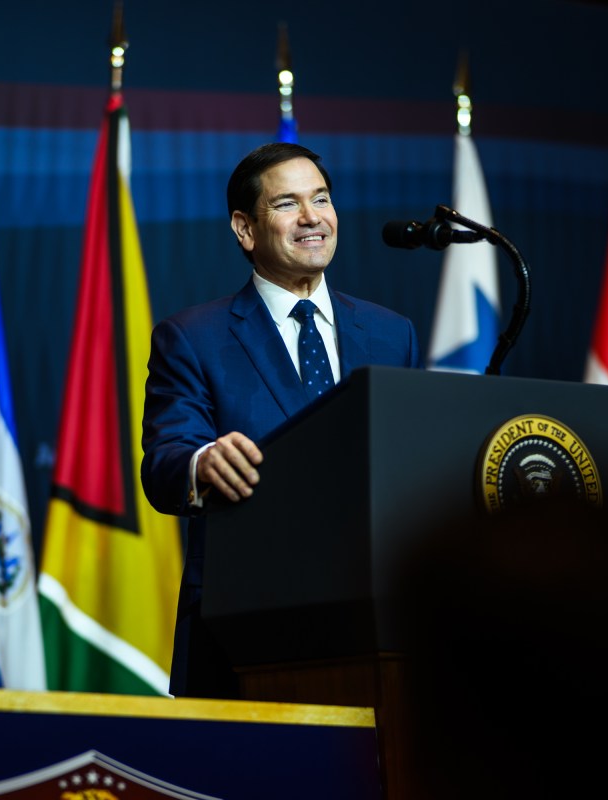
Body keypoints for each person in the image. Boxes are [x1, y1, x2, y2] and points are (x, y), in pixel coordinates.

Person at [141, 142, 422, 699]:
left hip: (376, 629)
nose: (313, 217)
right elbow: (165, 461)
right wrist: (205, 463)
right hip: (244, 629)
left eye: (321, 199)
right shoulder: (194, 338)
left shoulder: (393, 335)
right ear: (245, 229)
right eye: (288, 204)